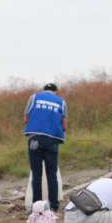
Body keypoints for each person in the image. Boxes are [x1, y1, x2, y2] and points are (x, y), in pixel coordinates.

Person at [23, 82, 67, 210]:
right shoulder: (61, 102)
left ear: (43, 91)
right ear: (55, 92)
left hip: (35, 139)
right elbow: (64, 126)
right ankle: (53, 206)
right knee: (51, 174)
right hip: (53, 140)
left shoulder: (34, 98)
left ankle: (37, 205)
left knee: (36, 174)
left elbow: (26, 119)